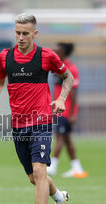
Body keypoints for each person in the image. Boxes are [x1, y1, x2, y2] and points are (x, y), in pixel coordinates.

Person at [0, 14, 74, 204]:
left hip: (42, 121)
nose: (21, 37)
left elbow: (68, 77)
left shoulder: (46, 56)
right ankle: (60, 199)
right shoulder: (5, 57)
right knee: (34, 178)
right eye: (17, 33)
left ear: (35, 33)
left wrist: (62, 99)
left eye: (26, 33)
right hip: (18, 125)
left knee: (40, 171)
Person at [47, 43, 88, 178]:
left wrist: (72, 114)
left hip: (65, 110)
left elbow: (74, 92)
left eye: (56, 50)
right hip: (58, 108)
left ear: (63, 53)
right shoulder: (56, 68)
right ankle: (77, 168)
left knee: (59, 136)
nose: (53, 52)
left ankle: (52, 166)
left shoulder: (71, 69)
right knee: (67, 138)